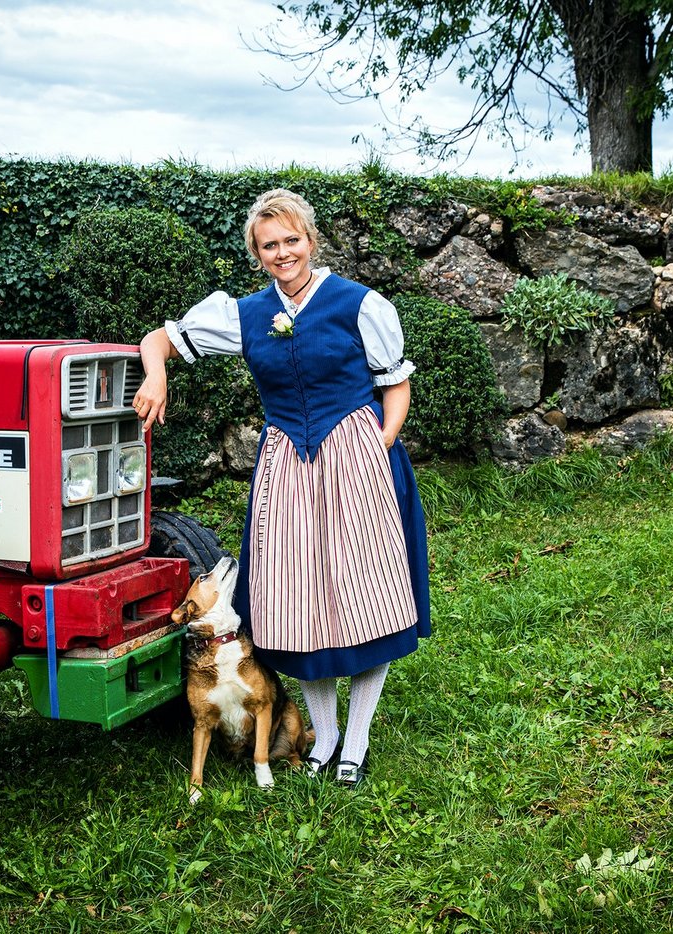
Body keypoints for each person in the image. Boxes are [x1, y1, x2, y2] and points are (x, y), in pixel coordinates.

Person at [133, 188, 430, 786]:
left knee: (364, 600)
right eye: (270, 245)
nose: (282, 252)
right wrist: (156, 375)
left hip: (356, 460)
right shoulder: (242, 314)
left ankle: (358, 741)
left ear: (311, 241)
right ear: (257, 253)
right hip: (287, 468)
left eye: (292, 240)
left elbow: (394, 385)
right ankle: (325, 741)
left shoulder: (360, 304)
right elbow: (159, 339)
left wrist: (381, 443)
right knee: (300, 606)